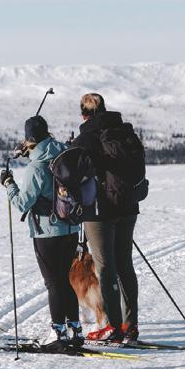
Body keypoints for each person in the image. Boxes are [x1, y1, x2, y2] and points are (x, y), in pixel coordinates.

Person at [0, 115, 82, 351]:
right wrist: (30, 152)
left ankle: (58, 333)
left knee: (53, 283)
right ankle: (75, 329)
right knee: (64, 280)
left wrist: (9, 184)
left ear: (30, 139)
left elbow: (21, 203)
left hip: (47, 232)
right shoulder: (64, 153)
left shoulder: (36, 167)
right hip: (71, 228)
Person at [71, 93, 142, 342]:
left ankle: (112, 327)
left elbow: (73, 176)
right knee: (125, 266)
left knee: (105, 269)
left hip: (99, 211)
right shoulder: (124, 132)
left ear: (84, 114)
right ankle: (130, 325)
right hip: (128, 206)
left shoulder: (84, 138)